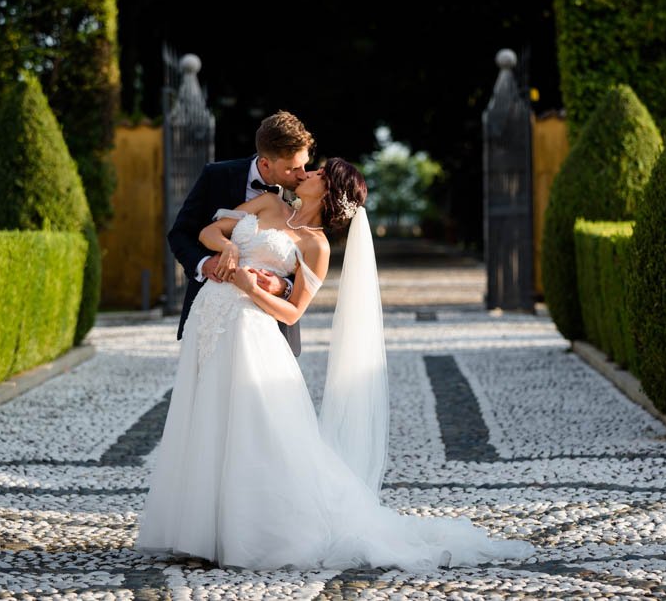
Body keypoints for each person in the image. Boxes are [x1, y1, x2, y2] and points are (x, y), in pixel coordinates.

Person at [136, 148, 535, 570]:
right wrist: (228, 254)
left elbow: (293, 312)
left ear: (329, 191)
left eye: (320, 172)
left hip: (251, 333)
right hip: (208, 322)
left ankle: (243, 532)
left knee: (249, 429)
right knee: (203, 420)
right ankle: (197, 531)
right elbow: (210, 232)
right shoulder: (269, 201)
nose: (308, 172)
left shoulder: (317, 246)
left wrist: (253, 288)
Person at [168, 110, 313, 355]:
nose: (302, 174)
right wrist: (204, 263)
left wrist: (283, 286)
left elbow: (310, 257)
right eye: (292, 168)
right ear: (266, 163)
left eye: (304, 165)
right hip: (213, 316)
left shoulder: (307, 192)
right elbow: (180, 233)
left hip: (272, 324)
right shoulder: (217, 176)